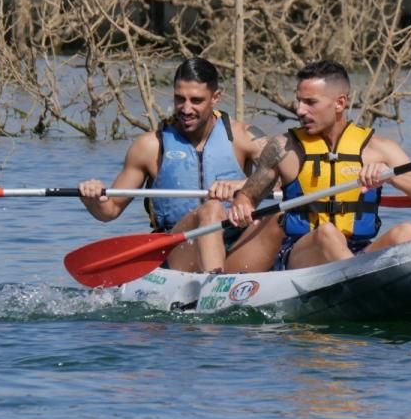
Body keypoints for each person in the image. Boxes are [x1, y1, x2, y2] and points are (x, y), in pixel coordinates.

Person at [226, 59, 411, 270]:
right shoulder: (283, 148)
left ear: (340, 103)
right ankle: (360, 286)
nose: (300, 110)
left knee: (406, 232)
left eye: (310, 102)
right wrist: (242, 204)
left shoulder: (379, 149)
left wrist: (390, 175)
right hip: (302, 254)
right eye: (299, 101)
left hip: (357, 253)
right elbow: (248, 196)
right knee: (328, 233)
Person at [78, 57, 283, 273]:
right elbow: (109, 210)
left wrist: (245, 185)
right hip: (176, 251)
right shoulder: (149, 146)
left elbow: (286, 182)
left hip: (235, 247)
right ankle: (213, 292)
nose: (186, 109)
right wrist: (92, 200)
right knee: (211, 209)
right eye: (179, 99)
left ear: (215, 97)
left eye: (196, 100)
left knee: (281, 215)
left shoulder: (243, 136)